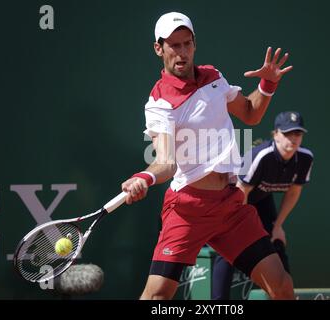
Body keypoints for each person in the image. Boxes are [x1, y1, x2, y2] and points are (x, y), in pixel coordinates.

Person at [120, 11, 294, 300]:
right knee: (157, 297)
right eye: (173, 45)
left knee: (282, 286)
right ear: (158, 48)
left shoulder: (214, 77)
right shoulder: (159, 102)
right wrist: (145, 177)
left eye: (186, 43)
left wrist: (267, 85)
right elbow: (165, 162)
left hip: (230, 206)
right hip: (187, 210)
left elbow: (250, 113)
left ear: (194, 44)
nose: (182, 52)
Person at [211, 111, 314, 300]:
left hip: (261, 198)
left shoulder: (305, 158)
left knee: (277, 241)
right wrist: (236, 226)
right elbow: (241, 191)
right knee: (228, 249)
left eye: (297, 134)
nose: (293, 139)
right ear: (275, 134)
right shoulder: (261, 156)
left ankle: (285, 296)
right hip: (234, 197)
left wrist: (278, 226)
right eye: (287, 133)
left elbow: (293, 192)